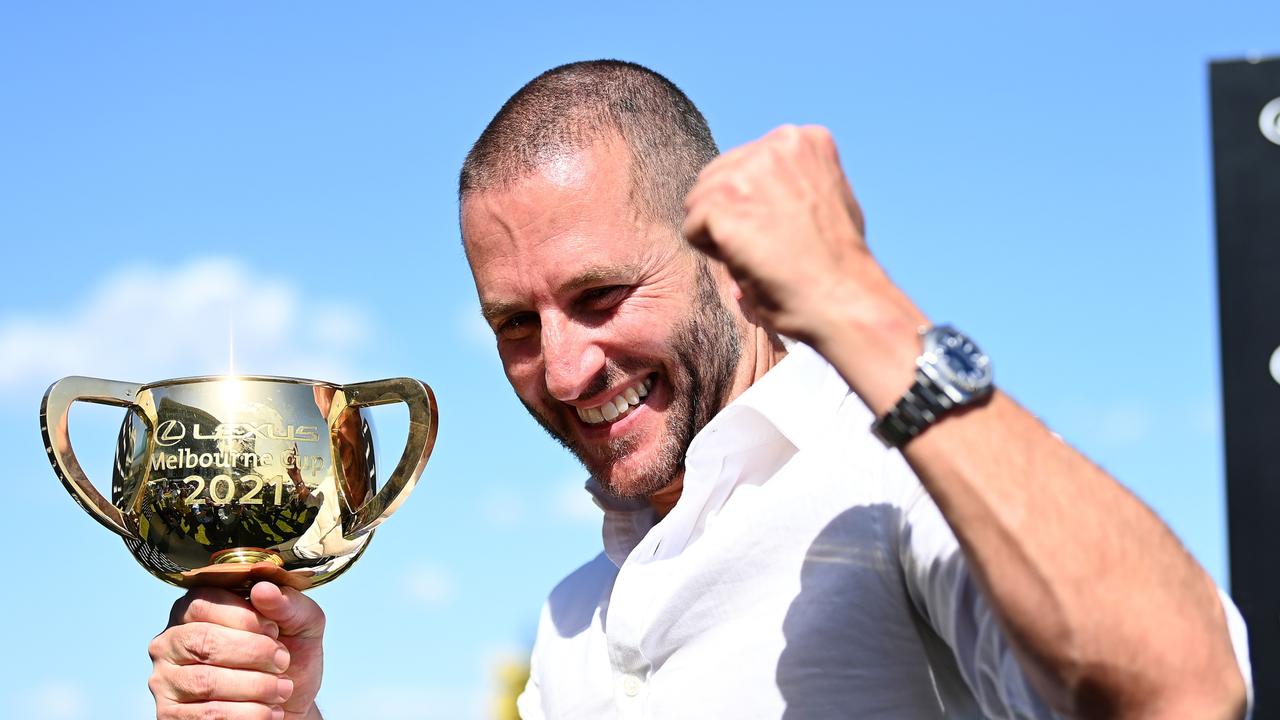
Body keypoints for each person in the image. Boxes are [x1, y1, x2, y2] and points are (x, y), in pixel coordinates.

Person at [146, 60, 1252, 719]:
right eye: (514, 325)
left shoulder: (883, 482)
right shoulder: (577, 615)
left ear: (725, 261)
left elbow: (1182, 687)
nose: (566, 366)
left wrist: (858, 301)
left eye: (600, 293)